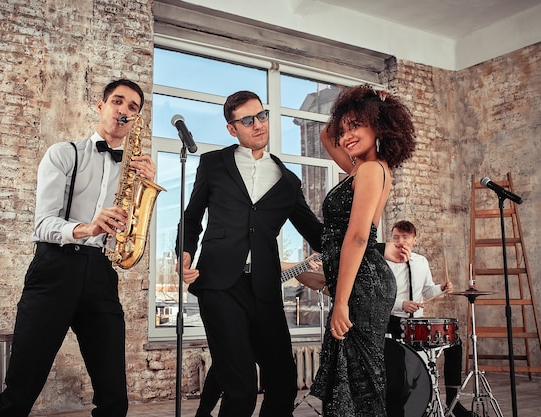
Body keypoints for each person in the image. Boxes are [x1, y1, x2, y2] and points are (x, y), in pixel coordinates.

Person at [0, 79, 156, 417]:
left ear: (136, 119)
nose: (123, 110)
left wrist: (146, 183)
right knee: (19, 394)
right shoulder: (65, 153)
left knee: (114, 401)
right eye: (117, 102)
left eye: (132, 107)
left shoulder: (135, 169)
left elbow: (134, 226)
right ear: (101, 105)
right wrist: (87, 227)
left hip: (100, 273)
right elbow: (42, 224)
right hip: (54, 269)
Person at [176, 90, 324, 417]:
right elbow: (191, 216)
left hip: (265, 288)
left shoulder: (287, 180)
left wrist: (365, 243)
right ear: (233, 129)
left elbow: (315, 232)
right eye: (247, 120)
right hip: (219, 285)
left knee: (284, 384)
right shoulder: (214, 164)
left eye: (262, 115)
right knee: (241, 389)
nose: (258, 124)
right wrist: (184, 252)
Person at [309, 84, 416, 416]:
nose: (345, 136)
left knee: (360, 381)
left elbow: (357, 238)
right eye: (346, 128)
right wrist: (360, 97)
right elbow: (328, 135)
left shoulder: (370, 170)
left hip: (363, 285)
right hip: (360, 279)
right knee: (352, 378)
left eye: (356, 125)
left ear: (379, 125)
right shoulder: (360, 168)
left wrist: (340, 302)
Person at [193, 256, 325, 417]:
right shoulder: (235, 251)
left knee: (266, 371)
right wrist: (301, 264)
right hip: (237, 306)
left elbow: (270, 266)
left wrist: (302, 265)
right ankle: (203, 411)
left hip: (259, 314)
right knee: (225, 367)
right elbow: (258, 263)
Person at [385, 220, 472, 417]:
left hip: (416, 321)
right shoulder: (385, 262)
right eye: (396, 237)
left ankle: (452, 401)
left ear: (414, 240)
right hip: (393, 321)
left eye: (405, 238)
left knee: (454, 342)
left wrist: (440, 288)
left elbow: (427, 289)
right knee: (401, 366)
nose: (400, 242)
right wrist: (401, 304)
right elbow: (378, 297)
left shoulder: (421, 261)